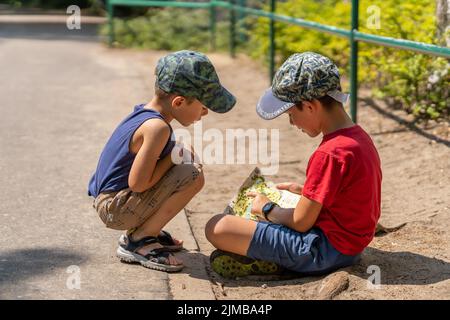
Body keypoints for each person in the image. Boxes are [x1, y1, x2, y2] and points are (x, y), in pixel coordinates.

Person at [205, 52, 382, 278]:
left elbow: (300, 222)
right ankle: (271, 256)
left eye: (290, 114)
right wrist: (307, 193)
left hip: (322, 250)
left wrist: (267, 209)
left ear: (309, 106)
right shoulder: (358, 138)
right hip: (350, 247)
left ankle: (283, 262)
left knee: (218, 226)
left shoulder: (329, 153)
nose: (291, 122)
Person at [88, 50, 236, 272]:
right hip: (114, 209)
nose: (205, 112)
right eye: (203, 105)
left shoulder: (145, 115)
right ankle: (140, 241)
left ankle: (147, 230)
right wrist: (173, 155)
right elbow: (138, 184)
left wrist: (176, 154)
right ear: (178, 102)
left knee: (185, 166)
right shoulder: (157, 128)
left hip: (113, 201)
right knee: (192, 174)